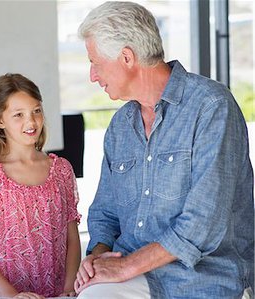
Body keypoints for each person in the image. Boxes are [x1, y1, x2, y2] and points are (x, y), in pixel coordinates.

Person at [74, 2, 254, 299]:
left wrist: (124, 267)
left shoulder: (211, 107)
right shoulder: (121, 126)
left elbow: (202, 225)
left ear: (127, 58)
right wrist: (98, 257)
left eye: (95, 62)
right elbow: (105, 213)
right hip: (136, 273)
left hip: (203, 279)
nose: (93, 75)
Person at [0, 73, 81, 298]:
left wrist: (69, 288)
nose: (31, 121)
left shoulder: (61, 170)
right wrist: (12, 295)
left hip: (57, 293)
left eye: (36, 111)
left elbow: (72, 238)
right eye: (18, 115)